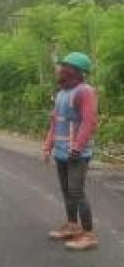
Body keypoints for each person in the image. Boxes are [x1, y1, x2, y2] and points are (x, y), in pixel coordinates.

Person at [43, 52, 99, 251]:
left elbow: (89, 122)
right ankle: (73, 226)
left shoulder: (85, 91)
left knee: (77, 192)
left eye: (63, 66)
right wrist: (47, 146)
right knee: (67, 191)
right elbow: (55, 122)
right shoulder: (61, 93)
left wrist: (77, 147)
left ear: (74, 71)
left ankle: (89, 235)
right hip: (61, 152)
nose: (59, 69)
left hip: (77, 153)